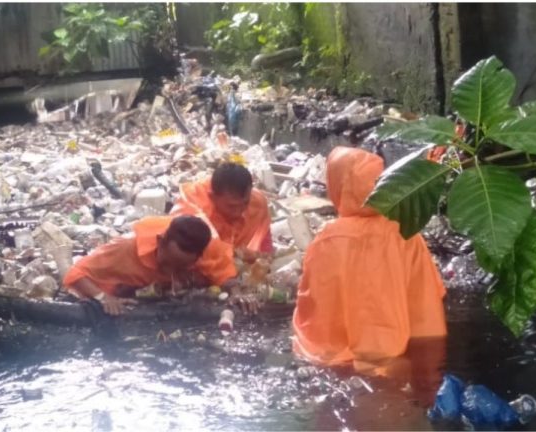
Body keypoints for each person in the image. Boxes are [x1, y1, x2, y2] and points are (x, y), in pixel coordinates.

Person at [292, 146, 447, 367]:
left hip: (337, 364)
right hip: (399, 357)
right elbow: (426, 301)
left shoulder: (328, 238)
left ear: (337, 185)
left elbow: (312, 309)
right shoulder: (406, 233)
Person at [64, 215, 250, 315]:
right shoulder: (125, 248)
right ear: (160, 241)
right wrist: (103, 298)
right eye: (167, 263)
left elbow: (228, 279)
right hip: (120, 290)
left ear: (198, 257)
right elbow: (75, 273)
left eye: (179, 266)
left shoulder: (210, 250)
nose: (170, 271)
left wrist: (240, 294)